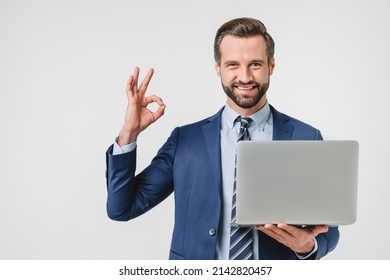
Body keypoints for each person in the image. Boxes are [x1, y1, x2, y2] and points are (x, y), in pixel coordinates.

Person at [105, 17, 339, 260]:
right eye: (233, 65)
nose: (245, 77)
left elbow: (328, 230)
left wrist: (306, 246)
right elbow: (122, 208)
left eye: (256, 64)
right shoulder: (185, 140)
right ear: (218, 68)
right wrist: (129, 133)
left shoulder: (305, 138)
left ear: (272, 65)